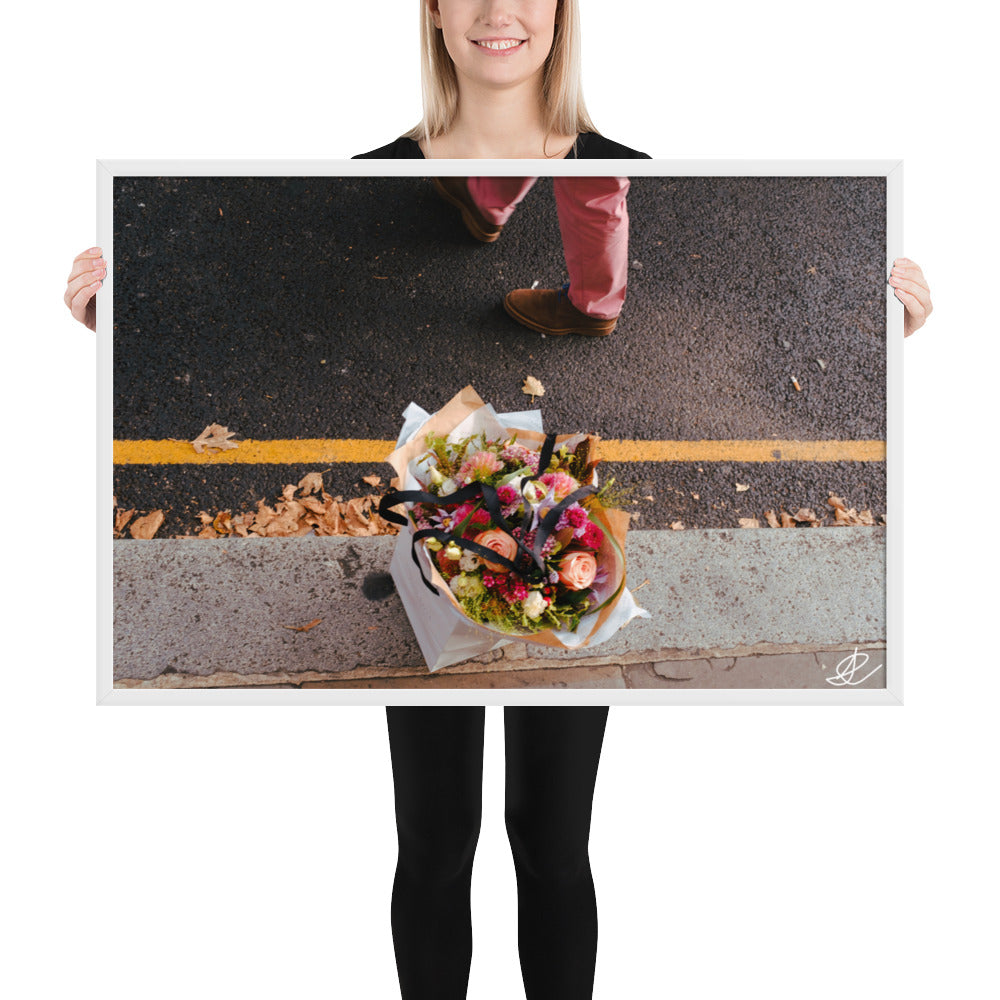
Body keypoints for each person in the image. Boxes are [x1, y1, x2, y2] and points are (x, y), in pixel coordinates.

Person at [64, 3, 933, 1000]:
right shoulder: (368, 160)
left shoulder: (624, 152)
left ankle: (497, 205)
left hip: (532, 570)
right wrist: (103, 338)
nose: (495, 10)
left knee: (548, 843)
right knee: (439, 842)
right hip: (470, 566)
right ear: (428, 12)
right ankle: (498, 203)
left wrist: (891, 360)